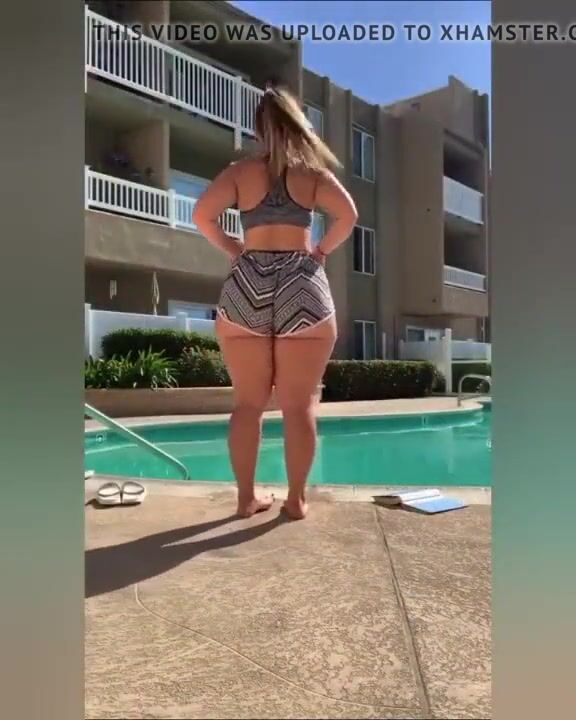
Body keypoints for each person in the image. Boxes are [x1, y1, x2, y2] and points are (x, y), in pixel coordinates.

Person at [192, 83, 358, 520]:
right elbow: (348, 216)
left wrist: (235, 249)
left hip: (247, 284)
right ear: (299, 126)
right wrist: (320, 251)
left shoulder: (240, 172)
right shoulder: (313, 175)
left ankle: (246, 499)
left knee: (248, 404)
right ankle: (296, 500)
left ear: (257, 129)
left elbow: (201, 215)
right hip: (301, 284)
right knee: (298, 405)